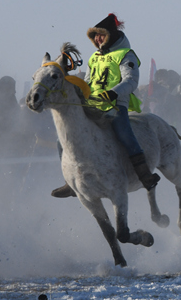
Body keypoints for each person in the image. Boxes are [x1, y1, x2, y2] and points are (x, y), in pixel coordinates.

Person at [51, 13, 159, 198]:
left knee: (125, 135)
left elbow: (131, 80)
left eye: (101, 35)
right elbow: (88, 81)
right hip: (93, 105)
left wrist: (112, 93)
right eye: (95, 36)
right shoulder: (94, 57)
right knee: (64, 138)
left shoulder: (126, 55)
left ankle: (144, 175)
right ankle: (70, 182)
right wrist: (78, 91)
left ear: (110, 34)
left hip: (115, 105)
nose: (97, 39)